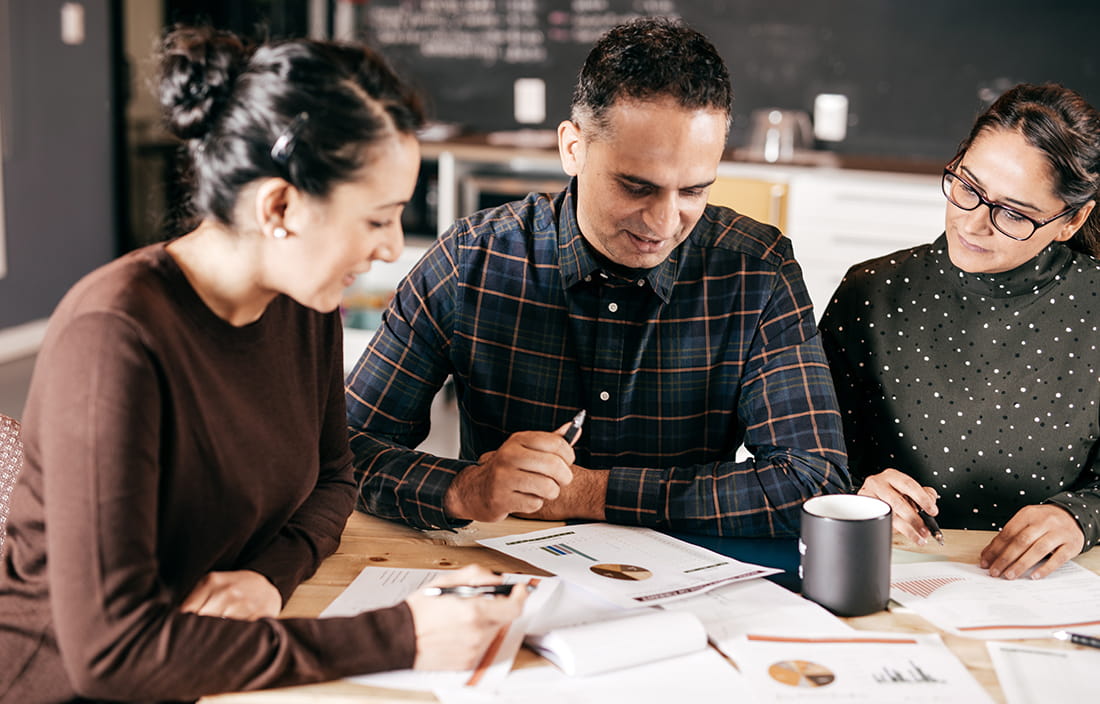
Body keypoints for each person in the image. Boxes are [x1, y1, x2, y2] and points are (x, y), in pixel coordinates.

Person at [0, 27, 525, 703]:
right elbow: (111, 654)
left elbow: (335, 479)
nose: (393, 245)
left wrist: (268, 576)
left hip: (211, 666)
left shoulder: (301, 301)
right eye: (377, 220)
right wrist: (405, 637)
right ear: (279, 206)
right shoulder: (115, 336)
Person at [346, 17, 849, 537]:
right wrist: (466, 489)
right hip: (505, 578)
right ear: (573, 148)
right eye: (636, 187)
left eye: (694, 191)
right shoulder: (469, 260)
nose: (662, 222)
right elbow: (343, 452)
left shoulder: (758, 271)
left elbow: (815, 484)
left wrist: (591, 493)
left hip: (693, 598)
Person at [819, 83, 1100, 580]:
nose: (972, 224)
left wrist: (1079, 517)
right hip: (890, 570)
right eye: (967, 188)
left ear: (1072, 219)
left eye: (1014, 213)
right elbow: (808, 453)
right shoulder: (870, 292)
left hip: (1046, 587)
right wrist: (855, 486)